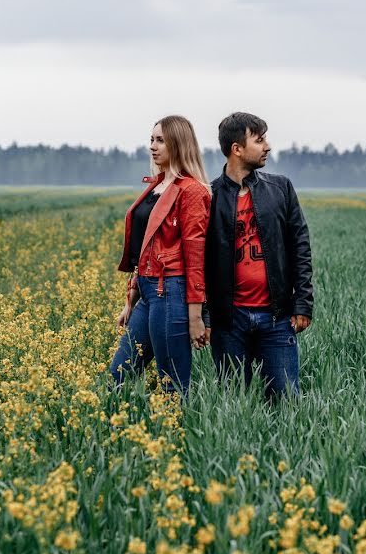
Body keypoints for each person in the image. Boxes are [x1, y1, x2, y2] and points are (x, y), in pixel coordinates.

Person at [204, 112, 313, 398]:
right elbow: (198, 261)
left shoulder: (281, 188)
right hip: (229, 320)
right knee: (233, 404)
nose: (268, 146)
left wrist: (303, 303)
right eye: (260, 140)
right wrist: (204, 316)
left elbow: (300, 246)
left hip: (276, 317)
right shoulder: (209, 196)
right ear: (236, 149)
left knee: (285, 401)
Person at [110, 115, 211, 396]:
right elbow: (144, 249)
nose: (153, 147)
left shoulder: (191, 191)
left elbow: (196, 257)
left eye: (161, 140)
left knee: (174, 385)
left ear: (178, 144)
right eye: (151, 140)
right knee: (117, 376)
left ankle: (180, 436)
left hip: (171, 293)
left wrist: (196, 316)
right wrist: (131, 299)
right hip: (148, 290)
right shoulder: (156, 187)